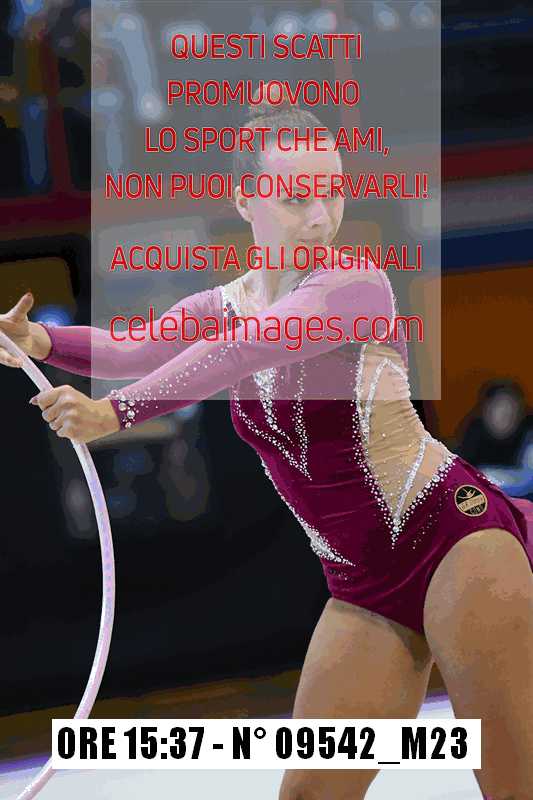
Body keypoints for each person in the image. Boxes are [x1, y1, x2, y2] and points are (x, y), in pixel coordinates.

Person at [2, 88, 533, 800]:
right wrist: (41, 340)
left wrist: (113, 413)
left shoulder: (355, 285)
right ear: (244, 200)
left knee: (513, 786)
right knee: (308, 794)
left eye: (331, 194)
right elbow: (133, 347)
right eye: (294, 199)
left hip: (453, 544)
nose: (319, 217)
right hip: (362, 582)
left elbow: (246, 349)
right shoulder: (225, 304)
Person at [457, 380, 533, 467]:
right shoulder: (472, 438)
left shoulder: (528, 437)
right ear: (486, 410)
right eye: (500, 406)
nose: (506, 413)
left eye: (513, 409)